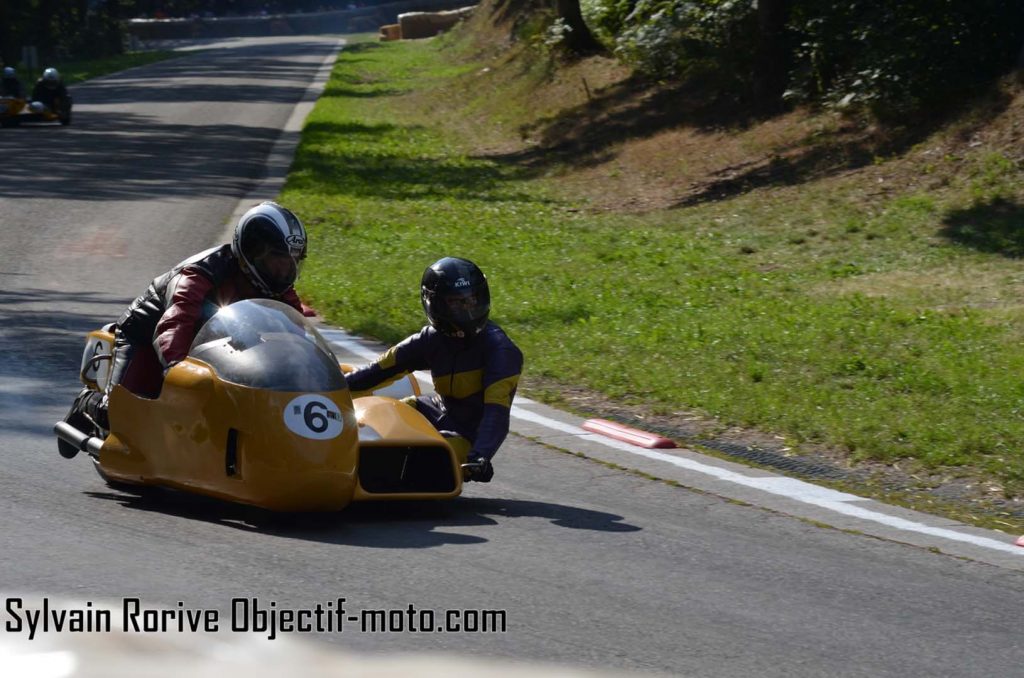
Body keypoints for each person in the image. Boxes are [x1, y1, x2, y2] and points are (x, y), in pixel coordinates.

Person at [59, 201, 309, 458]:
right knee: (125, 416)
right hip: (147, 336)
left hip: (220, 343)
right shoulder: (198, 275)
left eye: (293, 260)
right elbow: (174, 323)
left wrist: (305, 374)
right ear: (252, 252)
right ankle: (87, 403)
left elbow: (297, 339)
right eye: (278, 258)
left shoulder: (279, 289)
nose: (286, 269)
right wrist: (179, 371)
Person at [345, 257, 524, 482]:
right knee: (379, 422)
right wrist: (331, 388)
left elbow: (496, 414)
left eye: (471, 300)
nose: (467, 310)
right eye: (455, 302)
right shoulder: (429, 339)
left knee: (424, 456)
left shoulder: (501, 351)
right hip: (436, 410)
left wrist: (481, 455)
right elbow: (376, 371)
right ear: (435, 303)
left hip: (468, 435)